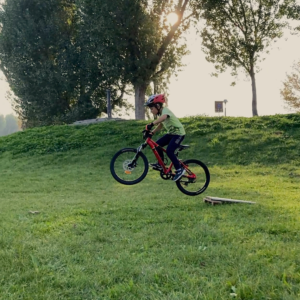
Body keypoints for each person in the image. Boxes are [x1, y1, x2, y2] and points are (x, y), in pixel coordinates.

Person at [144, 94, 186, 182]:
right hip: (171, 134)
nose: (151, 111)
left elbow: (163, 118)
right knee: (157, 145)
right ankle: (160, 163)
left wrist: (151, 124)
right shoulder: (162, 114)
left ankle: (179, 169)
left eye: (151, 108)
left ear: (158, 106)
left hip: (179, 134)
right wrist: (152, 133)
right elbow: (161, 125)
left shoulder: (165, 111)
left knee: (169, 151)